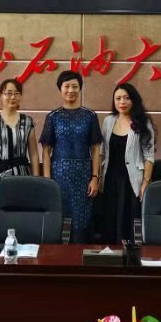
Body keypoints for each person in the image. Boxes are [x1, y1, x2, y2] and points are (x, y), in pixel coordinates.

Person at [40, 70, 103, 243]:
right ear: (60, 89)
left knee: (81, 221)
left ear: (80, 88)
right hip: (58, 175)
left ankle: (79, 255)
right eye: (66, 86)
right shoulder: (53, 117)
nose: (70, 90)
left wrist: (95, 177)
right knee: (59, 217)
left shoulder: (90, 116)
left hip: (83, 176)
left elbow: (96, 148)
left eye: (75, 86)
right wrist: (47, 180)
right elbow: (46, 150)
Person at [96, 83, 155, 243]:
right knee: (110, 220)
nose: (122, 102)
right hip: (110, 179)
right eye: (118, 98)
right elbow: (101, 152)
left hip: (132, 180)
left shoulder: (142, 122)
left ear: (133, 100)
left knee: (128, 222)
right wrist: (98, 177)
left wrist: (145, 182)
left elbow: (149, 155)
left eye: (126, 98)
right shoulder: (108, 121)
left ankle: (130, 255)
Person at [0, 78, 40, 203]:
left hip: (23, 177)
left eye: (16, 93)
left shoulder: (27, 122)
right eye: (8, 93)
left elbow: (34, 154)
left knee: (22, 211)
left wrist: (36, 180)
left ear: (20, 96)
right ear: (1, 96)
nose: (12, 97)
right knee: (0, 212)